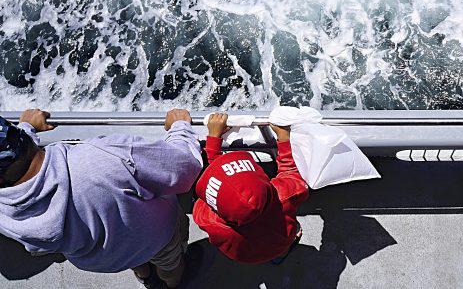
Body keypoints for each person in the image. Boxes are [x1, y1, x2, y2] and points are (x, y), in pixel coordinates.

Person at [0, 108, 203, 289]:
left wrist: (25, 130)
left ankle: (146, 278)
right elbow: (185, 168)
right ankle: (173, 283)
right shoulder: (102, 156)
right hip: (157, 238)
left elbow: (18, 169)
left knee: (135, 262)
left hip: (106, 259)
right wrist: (180, 127)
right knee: (170, 265)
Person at [192, 113, 309, 264]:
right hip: (280, 241)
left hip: (246, 255)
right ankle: (281, 253)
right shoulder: (283, 196)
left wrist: (214, 139)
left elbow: (219, 183)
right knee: (281, 246)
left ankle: (274, 255)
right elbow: (290, 173)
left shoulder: (207, 219)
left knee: (264, 251)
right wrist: (284, 138)